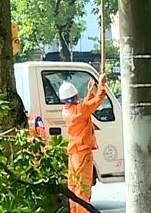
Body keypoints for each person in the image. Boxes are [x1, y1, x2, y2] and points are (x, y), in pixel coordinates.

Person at [60, 74, 107, 213]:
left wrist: (90, 92)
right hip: (82, 154)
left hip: (74, 153)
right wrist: (102, 85)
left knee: (73, 186)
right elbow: (97, 102)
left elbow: (85, 107)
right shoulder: (79, 110)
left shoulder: (67, 111)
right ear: (74, 97)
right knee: (83, 188)